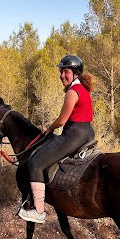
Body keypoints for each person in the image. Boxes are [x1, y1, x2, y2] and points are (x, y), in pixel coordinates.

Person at [18, 55, 95, 224]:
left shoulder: (72, 92)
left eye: (65, 72)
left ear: (75, 73)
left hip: (74, 134)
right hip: (88, 133)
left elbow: (61, 120)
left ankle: (37, 211)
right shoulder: (83, 89)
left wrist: (48, 129)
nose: (62, 76)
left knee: (36, 163)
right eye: (61, 72)